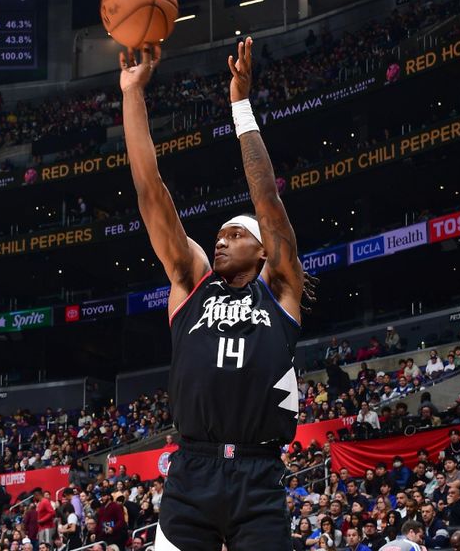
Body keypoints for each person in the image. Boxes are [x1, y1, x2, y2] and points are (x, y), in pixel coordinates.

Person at [121, 38, 311, 550]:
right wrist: (132, 94)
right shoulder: (191, 285)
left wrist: (240, 105)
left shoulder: (280, 290)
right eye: (219, 234)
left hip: (258, 474)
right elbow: (149, 190)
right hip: (191, 472)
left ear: (264, 252)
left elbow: (266, 199)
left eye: (235, 234)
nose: (220, 239)